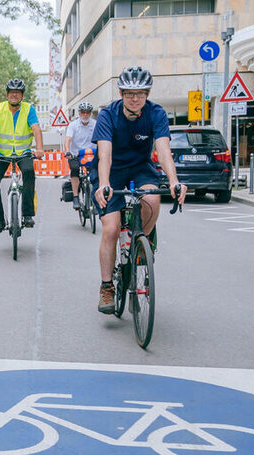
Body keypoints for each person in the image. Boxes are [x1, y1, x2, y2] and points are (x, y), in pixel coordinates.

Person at [93, 66, 185, 314]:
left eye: (140, 93)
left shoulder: (156, 113)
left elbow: (164, 151)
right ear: (121, 93)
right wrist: (103, 184)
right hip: (111, 171)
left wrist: (174, 180)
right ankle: (106, 287)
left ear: (147, 93)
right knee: (111, 229)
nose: (135, 98)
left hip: (141, 168)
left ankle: (140, 243)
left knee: (153, 199)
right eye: (130, 93)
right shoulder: (107, 115)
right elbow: (105, 154)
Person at [0, 78, 44, 233]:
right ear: (7, 94)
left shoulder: (29, 109)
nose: (14, 95)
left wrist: (40, 149)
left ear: (22, 96)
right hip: (1, 154)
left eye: (17, 93)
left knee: (29, 173)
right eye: (11, 93)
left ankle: (28, 214)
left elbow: (36, 129)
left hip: (23, 153)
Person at [63, 101, 97, 209]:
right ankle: (76, 197)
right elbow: (68, 140)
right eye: (83, 112)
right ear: (79, 113)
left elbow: (101, 138)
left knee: (97, 171)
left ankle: (96, 196)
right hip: (75, 154)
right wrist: (67, 151)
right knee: (74, 169)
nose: (85, 115)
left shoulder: (95, 124)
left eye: (87, 112)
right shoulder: (73, 125)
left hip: (91, 153)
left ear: (90, 113)